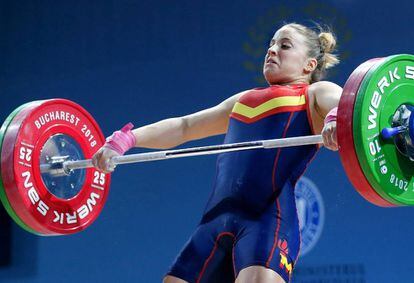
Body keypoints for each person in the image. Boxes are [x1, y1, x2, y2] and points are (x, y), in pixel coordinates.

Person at [92, 23, 342, 283]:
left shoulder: (313, 94)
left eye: (284, 45)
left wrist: (336, 119)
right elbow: (184, 126)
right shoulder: (243, 100)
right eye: (271, 44)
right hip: (215, 221)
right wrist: (127, 139)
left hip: (267, 220)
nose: (272, 50)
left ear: (309, 66)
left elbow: (346, 102)